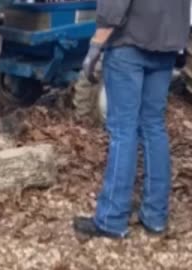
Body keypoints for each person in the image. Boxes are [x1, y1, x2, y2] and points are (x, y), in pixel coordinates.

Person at [74, 0, 190, 238]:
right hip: (166, 45)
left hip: (128, 44)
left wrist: (96, 43)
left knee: (123, 131)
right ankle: (156, 216)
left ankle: (111, 219)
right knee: (153, 126)